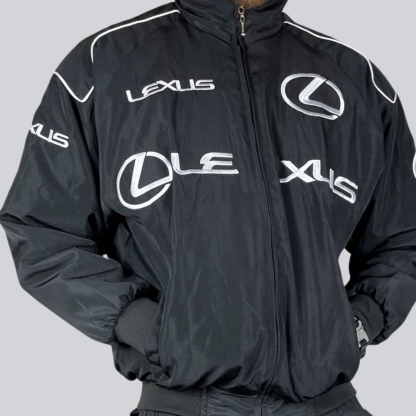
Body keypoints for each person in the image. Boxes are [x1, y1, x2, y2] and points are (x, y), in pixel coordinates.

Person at [1, 0, 415, 415]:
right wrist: (146, 328)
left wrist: (362, 320)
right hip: (184, 404)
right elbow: (43, 230)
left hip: (330, 404)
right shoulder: (105, 63)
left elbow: (403, 237)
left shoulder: (356, 79)